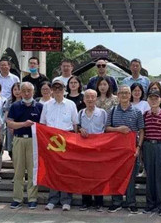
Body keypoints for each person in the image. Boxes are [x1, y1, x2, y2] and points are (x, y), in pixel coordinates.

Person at [41, 78, 79, 211]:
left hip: (66, 141)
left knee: (65, 171)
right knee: (52, 171)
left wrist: (73, 144)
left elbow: (75, 124)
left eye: (60, 89)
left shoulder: (70, 105)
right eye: (55, 89)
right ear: (52, 90)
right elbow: (43, 124)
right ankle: (53, 199)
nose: (58, 91)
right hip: (51, 141)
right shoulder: (47, 105)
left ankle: (66, 200)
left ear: (64, 90)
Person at [106, 85, 144, 214]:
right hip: (116, 151)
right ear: (118, 94)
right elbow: (106, 128)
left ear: (130, 95)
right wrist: (118, 129)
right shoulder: (112, 111)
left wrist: (138, 147)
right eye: (121, 93)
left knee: (131, 178)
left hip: (131, 151)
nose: (124, 95)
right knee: (116, 176)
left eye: (126, 93)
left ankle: (131, 202)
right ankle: (116, 201)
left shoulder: (137, 112)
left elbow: (141, 130)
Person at [7, 82, 43, 210]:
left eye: (29, 90)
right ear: (20, 92)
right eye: (24, 91)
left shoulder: (39, 106)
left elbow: (44, 125)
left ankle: (32, 198)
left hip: (34, 141)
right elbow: (10, 123)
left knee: (33, 170)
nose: (27, 93)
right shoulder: (15, 106)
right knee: (18, 170)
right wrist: (23, 124)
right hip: (19, 140)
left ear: (33, 92)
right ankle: (17, 198)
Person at [78, 89, 108, 211]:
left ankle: (99, 202)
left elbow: (106, 130)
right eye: (87, 97)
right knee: (84, 176)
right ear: (84, 99)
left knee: (98, 175)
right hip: (84, 150)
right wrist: (80, 129)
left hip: (98, 150)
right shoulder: (80, 113)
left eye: (92, 97)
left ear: (96, 99)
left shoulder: (103, 113)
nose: (90, 99)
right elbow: (76, 127)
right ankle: (86, 201)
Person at [5, 82, 22, 158]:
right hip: (11, 127)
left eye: (19, 89)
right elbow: (6, 115)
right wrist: (10, 125)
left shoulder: (26, 101)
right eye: (15, 89)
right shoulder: (9, 101)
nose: (17, 91)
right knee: (12, 148)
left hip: (22, 127)